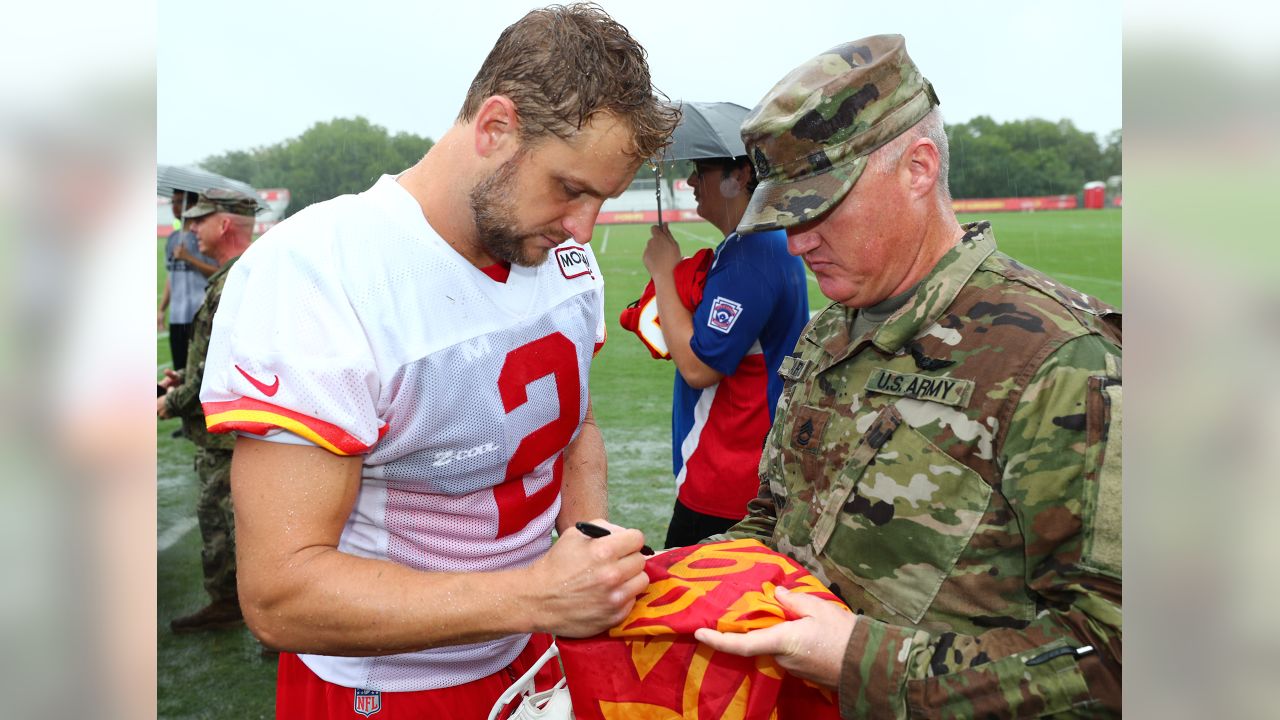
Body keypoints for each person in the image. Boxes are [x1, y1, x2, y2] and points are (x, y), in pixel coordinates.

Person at [198, 4, 679, 717]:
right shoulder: (317, 273)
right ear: (494, 128)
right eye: (571, 189)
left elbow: (572, 425)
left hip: (536, 648)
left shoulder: (558, 254)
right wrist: (536, 593)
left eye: (599, 199)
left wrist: (586, 540)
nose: (583, 228)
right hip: (387, 685)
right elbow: (280, 594)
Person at [691, 35, 1123, 718]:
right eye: (786, 214)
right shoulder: (831, 331)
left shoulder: (1063, 362)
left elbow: (1117, 659)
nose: (798, 241)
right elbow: (778, 517)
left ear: (918, 168)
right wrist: (681, 577)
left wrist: (862, 660)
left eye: (820, 207)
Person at [641, 123, 809, 548]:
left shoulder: (748, 258)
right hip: (747, 466)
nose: (692, 181)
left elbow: (700, 367)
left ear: (740, 177)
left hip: (727, 478)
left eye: (703, 170)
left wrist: (664, 272)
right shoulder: (759, 243)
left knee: (689, 600)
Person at [157, 188, 261, 633]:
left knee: (230, 522)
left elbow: (216, 375)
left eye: (199, 219)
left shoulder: (238, 279)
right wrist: (183, 379)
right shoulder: (240, 275)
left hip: (228, 430)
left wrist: (170, 400)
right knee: (227, 518)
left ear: (223, 225)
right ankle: (235, 600)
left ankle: (248, 608)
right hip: (228, 425)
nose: (190, 227)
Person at [158, 190, 218, 374]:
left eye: (179, 202)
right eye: (173, 202)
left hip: (198, 315)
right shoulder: (173, 239)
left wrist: (188, 258)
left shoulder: (202, 237)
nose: (175, 207)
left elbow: (217, 273)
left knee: (198, 374)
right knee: (179, 372)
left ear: (192, 205)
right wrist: (161, 309)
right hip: (177, 316)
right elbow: (172, 275)